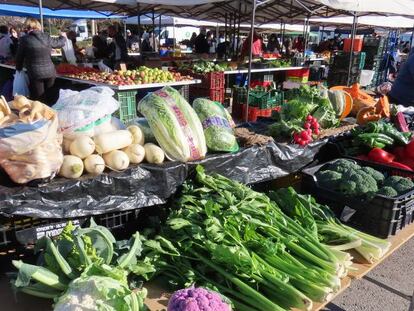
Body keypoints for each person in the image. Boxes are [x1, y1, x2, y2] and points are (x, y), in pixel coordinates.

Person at [15, 18, 66, 104]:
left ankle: (41, 115)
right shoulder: (46, 36)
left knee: (39, 99)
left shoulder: (24, 39)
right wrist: (62, 36)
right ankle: (51, 114)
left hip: (35, 73)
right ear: (38, 26)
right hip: (50, 72)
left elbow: (19, 57)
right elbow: (59, 43)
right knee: (51, 97)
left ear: (28, 27)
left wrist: (18, 68)